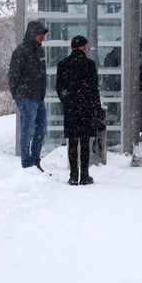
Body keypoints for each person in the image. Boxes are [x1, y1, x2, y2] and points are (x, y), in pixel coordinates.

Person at [55, 35, 104, 186]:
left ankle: (73, 175)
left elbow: (59, 87)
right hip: (86, 108)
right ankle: (84, 174)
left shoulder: (63, 64)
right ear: (83, 47)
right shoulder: (89, 64)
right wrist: (96, 109)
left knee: (72, 141)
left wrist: (67, 101)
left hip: (71, 109)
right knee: (84, 142)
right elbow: (94, 89)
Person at [8, 19, 49, 170]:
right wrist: (17, 95)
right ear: (32, 33)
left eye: (43, 34)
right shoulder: (21, 51)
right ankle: (27, 163)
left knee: (41, 129)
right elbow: (13, 75)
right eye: (39, 34)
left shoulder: (40, 51)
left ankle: (35, 160)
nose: (42, 36)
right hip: (26, 98)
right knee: (28, 130)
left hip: (38, 97)